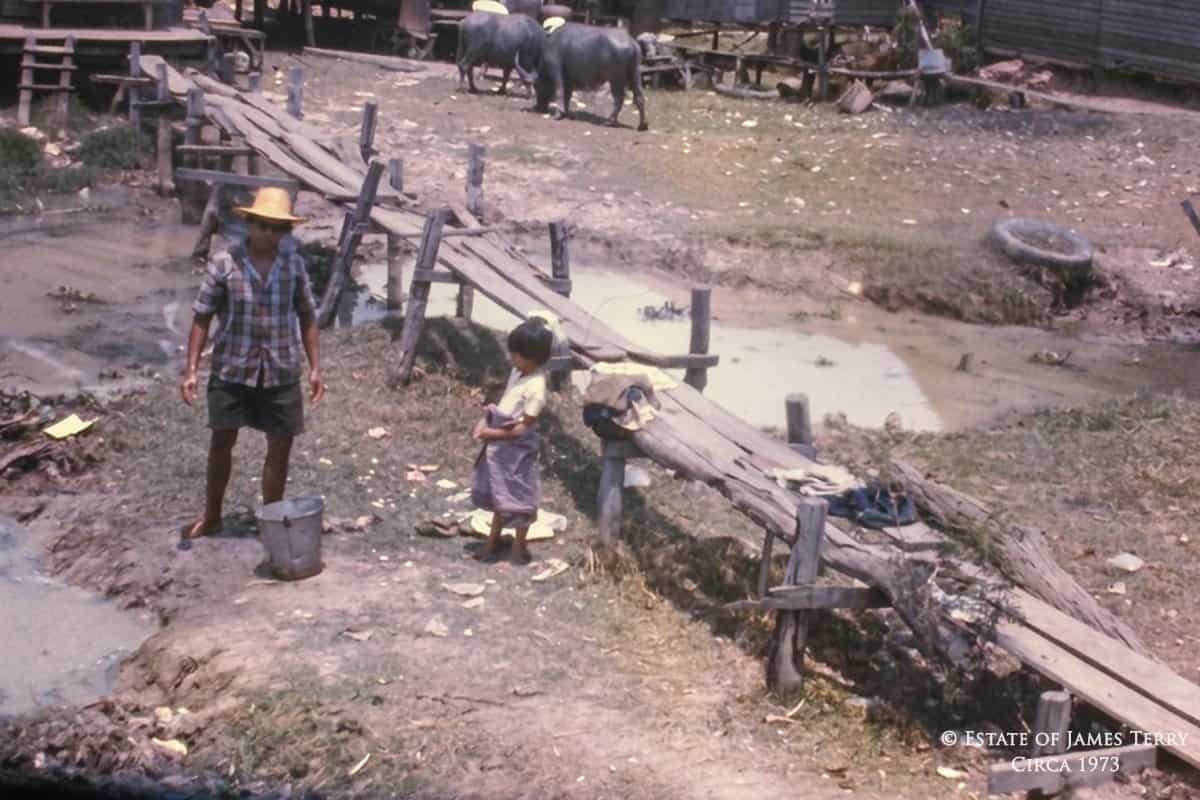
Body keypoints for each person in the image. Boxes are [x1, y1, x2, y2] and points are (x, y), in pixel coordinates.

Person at [179, 187, 324, 540]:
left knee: (280, 445)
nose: (270, 234)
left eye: (278, 228)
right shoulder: (224, 263)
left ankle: (272, 519)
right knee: (222, 442)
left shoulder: (293, 265)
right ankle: (212, 516)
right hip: (232, 367)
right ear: (250, 225)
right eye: (263, 226)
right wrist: (192, 370)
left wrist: (316, 367)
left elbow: (307, 315)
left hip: (280, 369)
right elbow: (202, 317)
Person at [471, 317, 554, 565]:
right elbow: (507, 402)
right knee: (499, 492)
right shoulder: (518, 372)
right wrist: (485, 421)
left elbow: (522, 429)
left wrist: (491, 434)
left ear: (531, 358)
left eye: (516, 355)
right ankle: (493, 541)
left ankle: (519, 547)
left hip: (517, 450)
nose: (512, 358)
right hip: (499, 446)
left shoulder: (537, 389)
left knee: (519, 496)